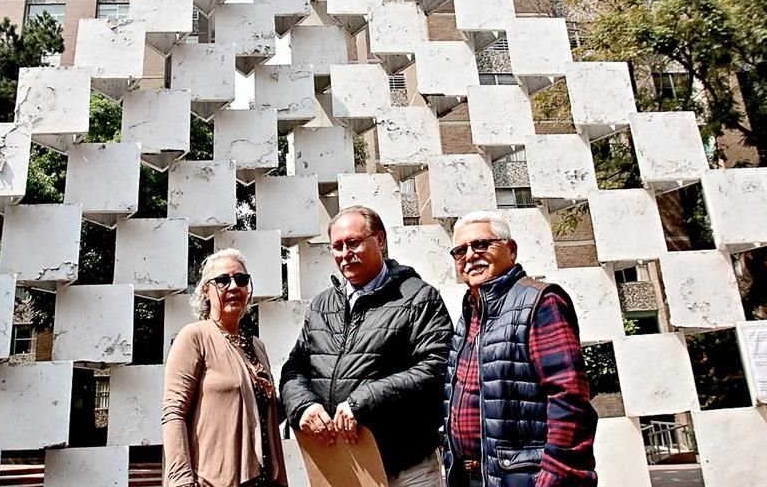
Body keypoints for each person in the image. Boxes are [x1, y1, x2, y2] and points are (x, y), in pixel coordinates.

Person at [280, 205, 453, 486]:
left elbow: (436, 367)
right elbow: (294, 369)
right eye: (337, 246)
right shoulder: (322, 305)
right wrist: (302, 406)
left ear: (380, 240)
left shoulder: (419, 297)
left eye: (353, 242)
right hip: (344, 465)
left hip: (408, 468)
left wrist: (363, 402)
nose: (345, 254)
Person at [443, 211, 597, 487]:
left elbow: (569, 399)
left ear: (510, 249)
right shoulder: (469, 313)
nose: (470, 256)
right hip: (474, 477)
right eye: (460, 251)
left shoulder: (539, 302)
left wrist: (553, 476)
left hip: (526, 478)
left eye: (481, 245)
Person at [162, 248, 288, 487]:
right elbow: (173, 413)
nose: (233, 287)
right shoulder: (194, 337)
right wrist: (182, 481)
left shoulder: (256, 346)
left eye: (241, 280)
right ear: (206, 291)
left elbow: (259, 413)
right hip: (210, 480)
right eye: (222, 280)